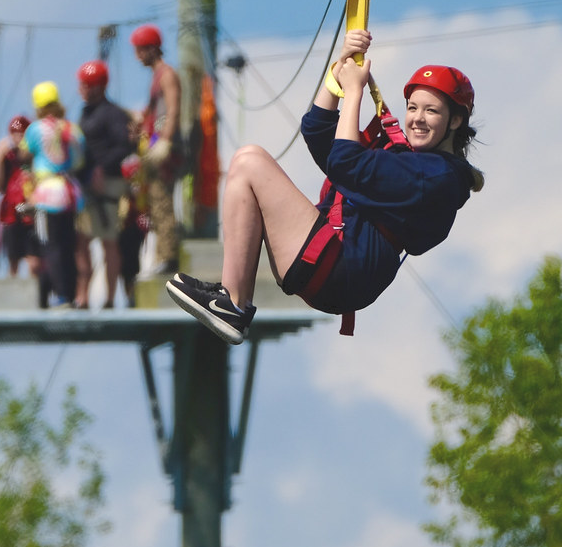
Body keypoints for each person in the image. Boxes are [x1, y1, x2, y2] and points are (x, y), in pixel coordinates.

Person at [167, 29, 483, 344]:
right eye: (412, 108)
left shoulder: (437, 177)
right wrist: (340, 69)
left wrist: (354, 92)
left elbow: (345, 162)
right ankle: (233, 299)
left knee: (249, 162)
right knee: (247, 162)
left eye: (431, 110)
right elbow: (318, 132)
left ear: (455, 121)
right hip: (337, 262)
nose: (417, 118)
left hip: (343, 264)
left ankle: (233, 303)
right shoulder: (410, 162)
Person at [73, 60, 133, 309]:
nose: (83, 89)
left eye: (88, 85)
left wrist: (102, 169)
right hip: (86, 185)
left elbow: (124, 146)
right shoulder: (85, 113)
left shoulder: (113, 114)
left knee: (109, 241)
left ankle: (109, 298)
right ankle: (83, 296)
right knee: (82, 240)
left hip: (108, 184)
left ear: (99, 87)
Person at [19, 81, 85, 308]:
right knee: (68, 245)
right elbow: (80, 159)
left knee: (51, 245)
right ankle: (71, 294)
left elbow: (24, 154)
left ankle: (61, 295)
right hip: (71, 192)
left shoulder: (35, 129)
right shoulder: (71, 128)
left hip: (48, 193)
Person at [131, 24, 182, 275]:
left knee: (162, 200)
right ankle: (162, 254)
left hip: (164, 147)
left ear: (152, 49)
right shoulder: (157, 75)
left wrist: (166, 140)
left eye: (141, 50)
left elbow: (173, 109)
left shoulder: (167, 74)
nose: (138, 56)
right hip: (154, 144)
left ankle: (168, 256)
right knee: (154, 200)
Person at [0, 114, 40, 278]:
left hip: (30, 213)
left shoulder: (35, 157)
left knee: (34, 260)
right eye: (15, 135)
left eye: (22, 134)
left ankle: (35, 291)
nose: (18, 139)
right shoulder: (7, 157)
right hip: (11, 213)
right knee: (13, 258)